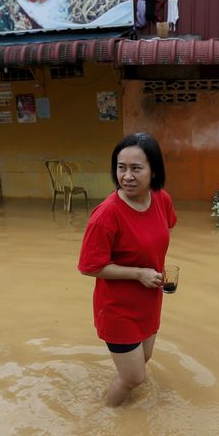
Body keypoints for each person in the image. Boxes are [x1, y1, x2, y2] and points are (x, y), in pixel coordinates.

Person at [77, 133, 177, 407]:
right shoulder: (106, 215)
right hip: (117, 307)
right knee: (134, 378)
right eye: (122, 168)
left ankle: (118, 388)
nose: (127, 176)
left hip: (149, 298)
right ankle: (106, 416)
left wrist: (154, 267)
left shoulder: (161, 199)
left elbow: (162, 231)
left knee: (142, 360)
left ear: (154, 170)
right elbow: (89, 267)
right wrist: (139, 273)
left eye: (136, 168)